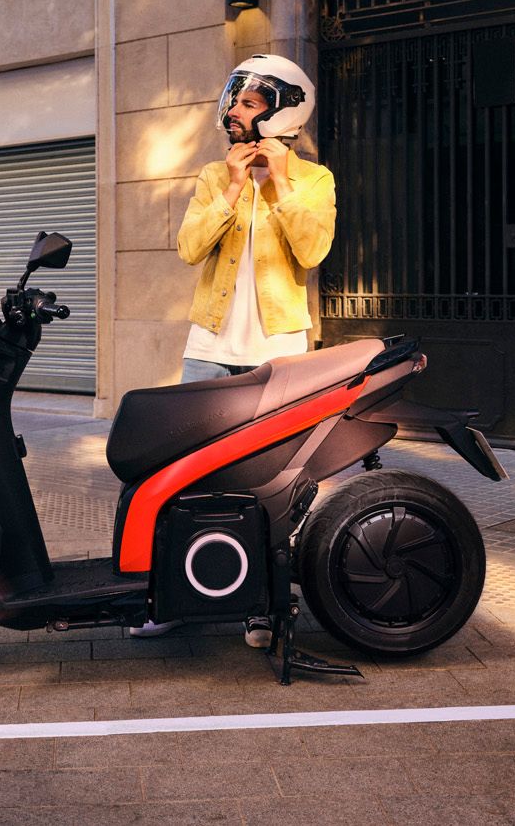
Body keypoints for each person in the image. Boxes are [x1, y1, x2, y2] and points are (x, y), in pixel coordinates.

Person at [132, 54, 336, 648]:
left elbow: (313, 251)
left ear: (281, 111)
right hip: (210, 345)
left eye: (248, 103)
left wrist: (279, 187)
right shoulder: (213, 176)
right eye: (235, 100)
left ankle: (260, 605)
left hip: (279, 351)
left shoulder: (314, 181)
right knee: (181, 473)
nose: (233, 111)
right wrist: (234, 188)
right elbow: (188, 248)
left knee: (272, 480)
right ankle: (172, 595)